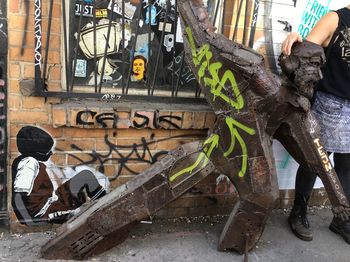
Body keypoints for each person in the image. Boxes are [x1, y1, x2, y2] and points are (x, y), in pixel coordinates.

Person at [281, 5, 350, 243]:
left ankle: (341, 219)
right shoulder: (335, 19)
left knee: (346, 164)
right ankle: (298, 212)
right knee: (315, 160)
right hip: (330, 103)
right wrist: (295, 38)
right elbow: (306, 53)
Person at [12, 126, 108, 225]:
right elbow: (19, 195)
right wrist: (29, 220)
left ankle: (104, 205)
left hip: (50, 202)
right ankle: (106, 209)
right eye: (47, 151)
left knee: (85, 176)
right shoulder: (28, 163)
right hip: (45, 211)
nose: (51, 153)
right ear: (35, 152)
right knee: (86, 179)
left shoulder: (26, 161)